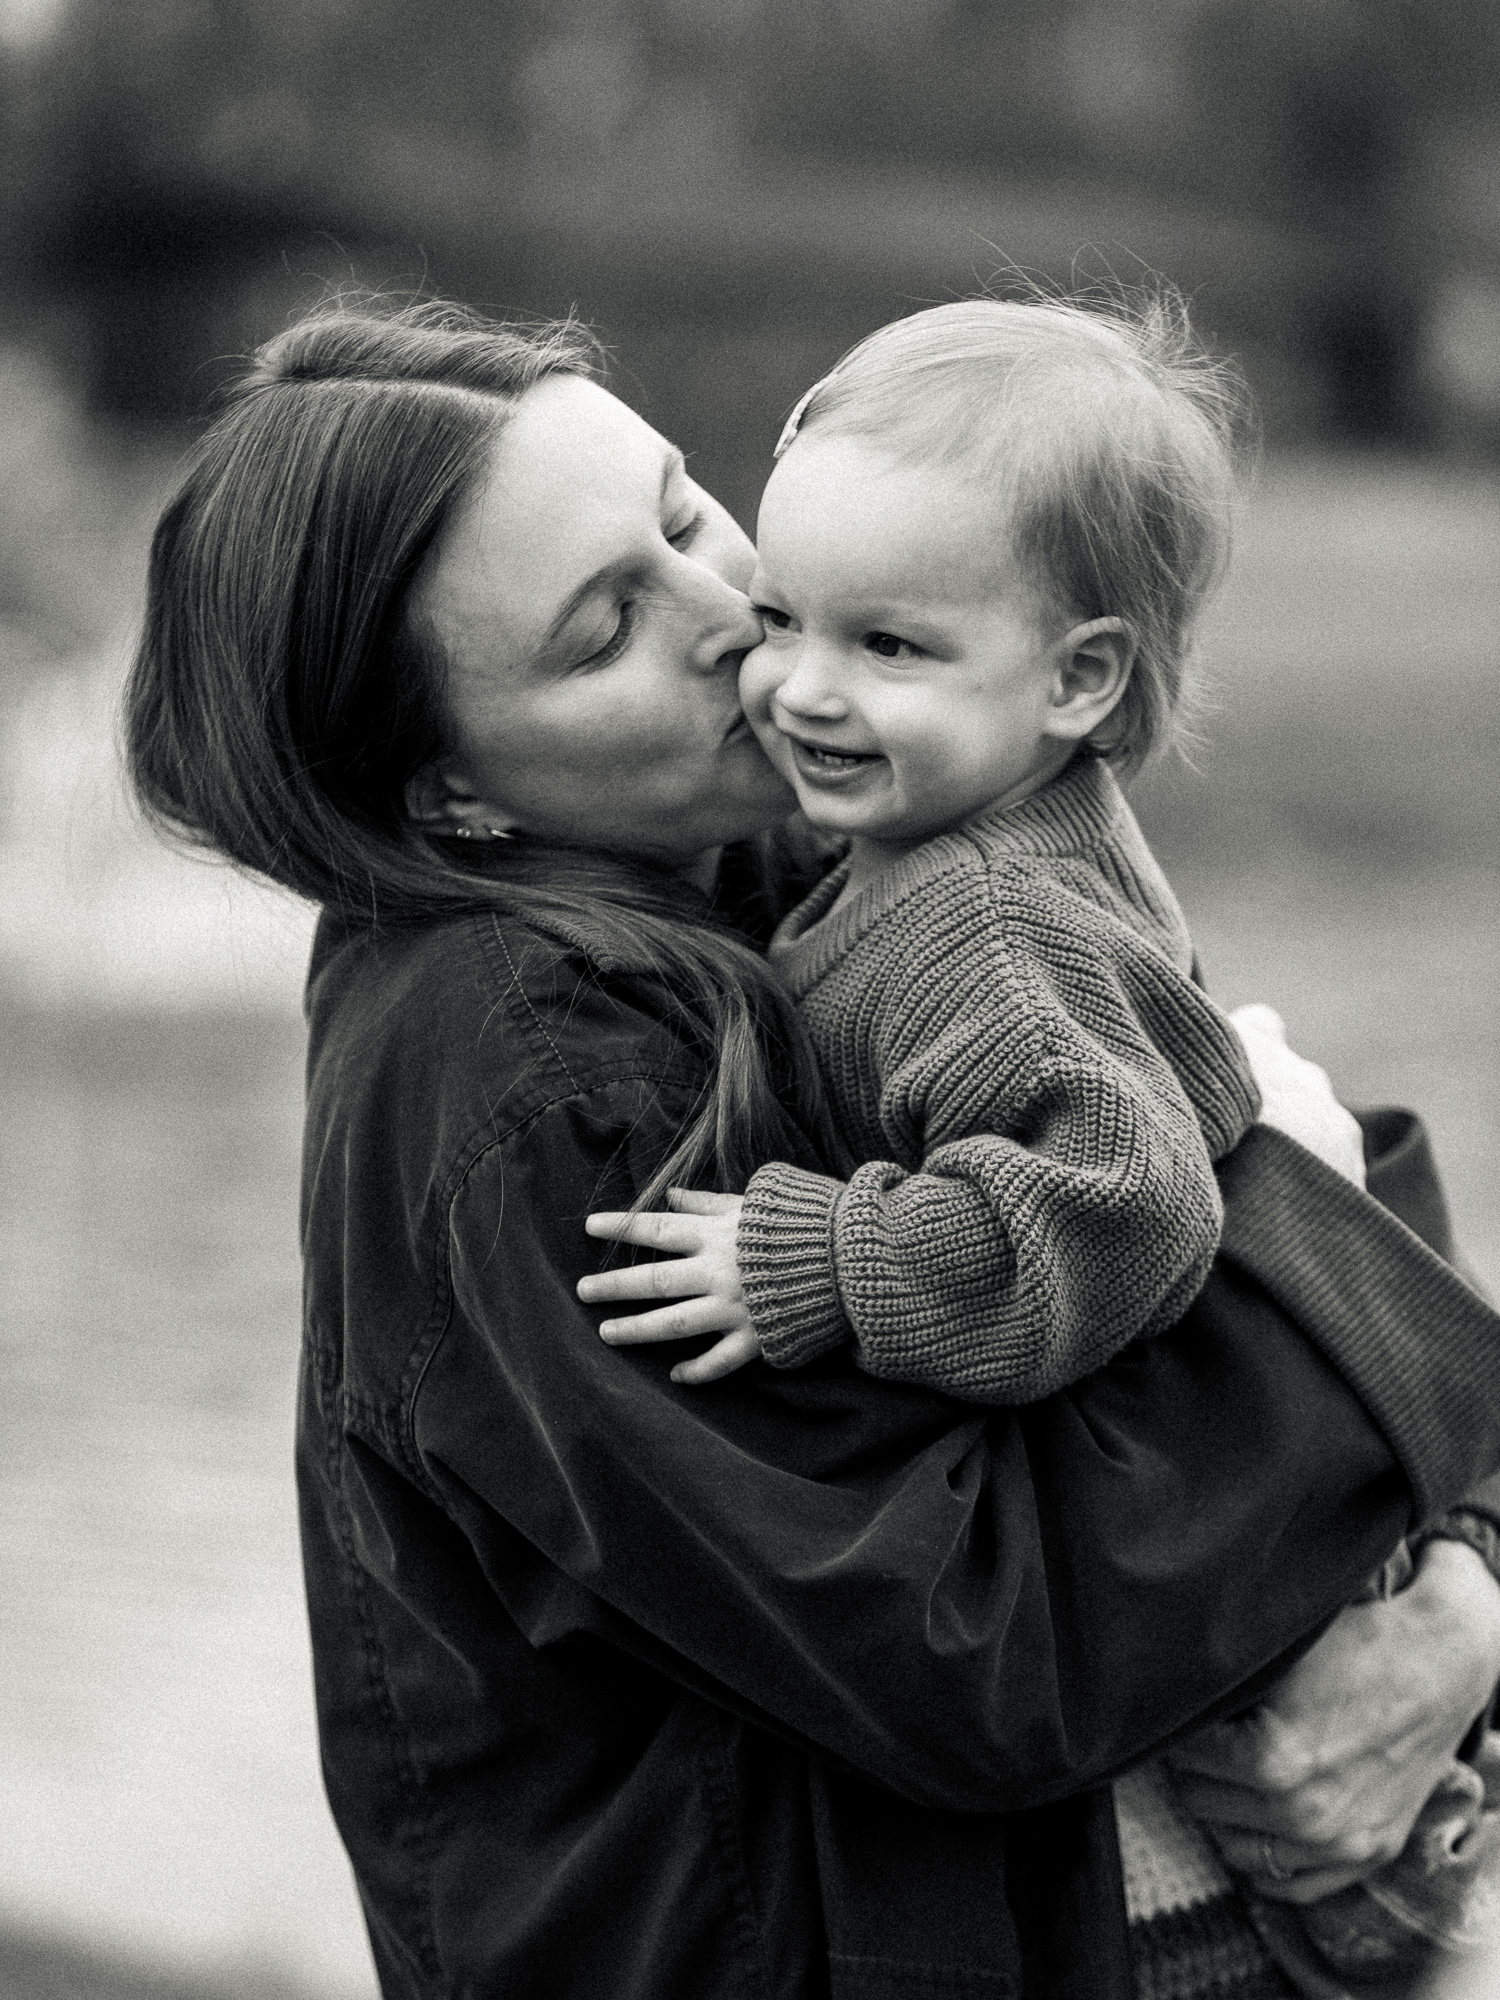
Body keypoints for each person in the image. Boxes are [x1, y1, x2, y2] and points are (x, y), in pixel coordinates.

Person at [122, 299, 1500, 2000]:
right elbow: (980, 1643)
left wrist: (1463, 1597)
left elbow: (1349, 1190)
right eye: (607, 625)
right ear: (446, 802)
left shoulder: (809, 848)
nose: (741, 623)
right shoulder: (535, 1074)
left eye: (688, 513)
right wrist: (1296, 1207)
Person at [573, 290, 1500, 1996]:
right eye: (782, 615)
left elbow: (1116, 1207)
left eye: (892, 648)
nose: (796, 686)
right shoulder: (958, 831)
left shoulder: (990, 922)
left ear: (1081, 677)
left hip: (1221, 1773)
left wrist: (821, 1261)